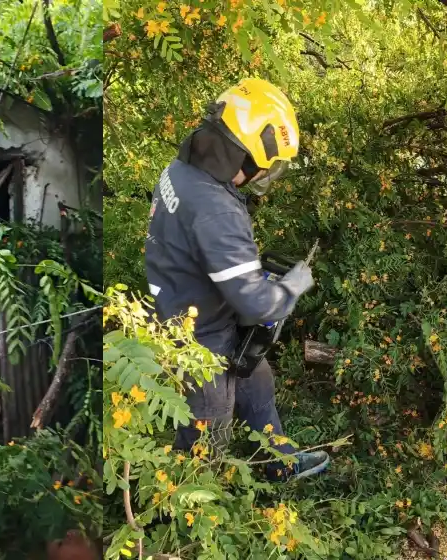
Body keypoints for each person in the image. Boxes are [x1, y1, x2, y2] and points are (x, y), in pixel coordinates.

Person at [143, 78, 330, 480]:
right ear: (244, 152)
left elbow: (208, 250)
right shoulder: (216, 209)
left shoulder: (182, 170)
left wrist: (244, 272)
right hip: (199, 339)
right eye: (266, 164)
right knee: (208, 428)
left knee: (256, 382)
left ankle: (279, 462)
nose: (265, 173)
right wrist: (291, 286)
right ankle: (187, 500)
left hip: (193, 306)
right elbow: (257, 304)